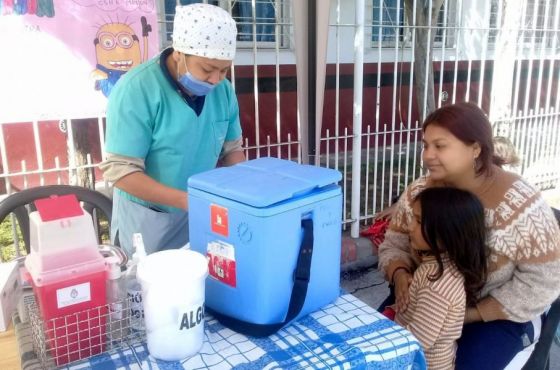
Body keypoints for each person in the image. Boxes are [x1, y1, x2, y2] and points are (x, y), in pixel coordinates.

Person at [378, 102, 560, 370]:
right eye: (425, 145)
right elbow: (394, 245)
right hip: (424, 299)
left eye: (440, 146)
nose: (427, 155)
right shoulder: (418, 193)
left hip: (497, 319)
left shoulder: (522, 205)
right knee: (371, 348)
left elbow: (544, 282)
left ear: (475, 148)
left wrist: (471, 314)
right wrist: (400, 274)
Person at [100, 3, 245, 256]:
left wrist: (246, 195)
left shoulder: (222, 91)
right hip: (148, 220)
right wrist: (186, 200)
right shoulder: (136, 90)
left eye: (224, 70)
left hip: (199, 214)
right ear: (179, 53)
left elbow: (232, 151)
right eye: (207, 69)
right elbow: (121, 171)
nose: (215, 79)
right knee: (149, 286)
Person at [389, 187, 488, 370]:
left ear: (447, 233)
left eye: (418, 221)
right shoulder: (441, 267)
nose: (410, 226)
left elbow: (416, 342)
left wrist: (380, 346)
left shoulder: (436, 284)